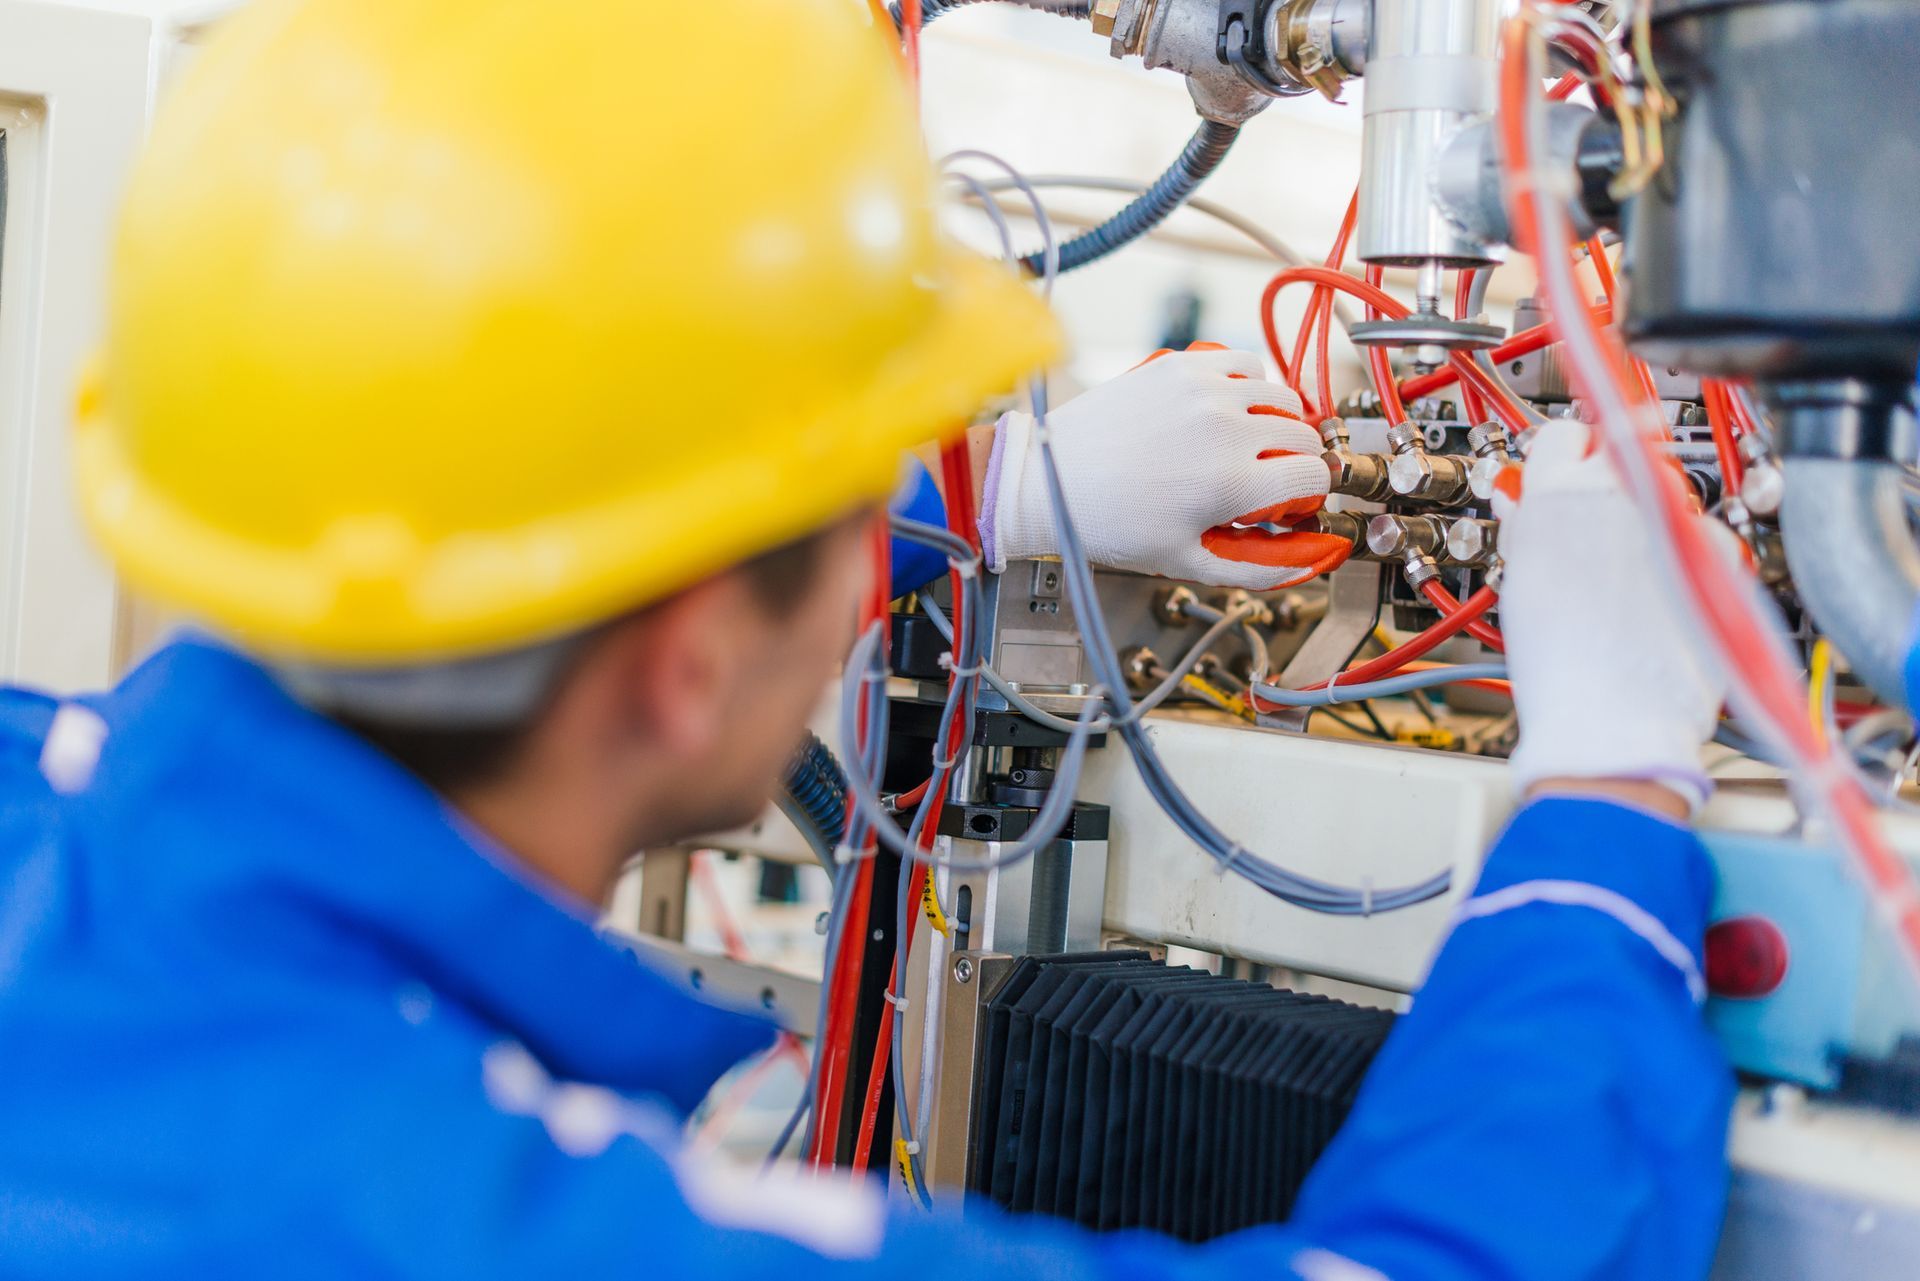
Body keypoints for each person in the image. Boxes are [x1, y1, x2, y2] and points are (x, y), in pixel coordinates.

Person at [0, 0, 1734, 1277]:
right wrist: (1603, 803)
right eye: (843, 516)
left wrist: (994, 492)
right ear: (682, 664)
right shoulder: (489, 1229)